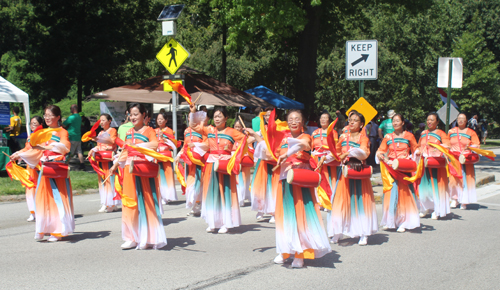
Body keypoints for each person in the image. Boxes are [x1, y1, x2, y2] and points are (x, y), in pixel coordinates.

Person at [246, 109, 331, 268]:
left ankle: (300, 253)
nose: (293, 121)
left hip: (300, 179)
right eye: (290, 119)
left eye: (297, 119)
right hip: (284, 178)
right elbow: (272, 154)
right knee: (285, 216)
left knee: (300, 216)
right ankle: (286, 250)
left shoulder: (306, 137)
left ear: (303, 123)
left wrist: (288, 153)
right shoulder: (283, 139)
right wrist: (256, 138)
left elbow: (302, 146)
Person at [109, 103, 167, 250]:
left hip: (144, 169)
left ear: (143, 115)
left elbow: (155, 145)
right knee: (129, 202)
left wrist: (139, 147)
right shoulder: (128, 132)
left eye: (136, 114)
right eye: (131, 114)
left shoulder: (149, 131)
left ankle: (150, 236)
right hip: (130, 170)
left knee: (146, 201)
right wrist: (115, 165)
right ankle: (131, 237)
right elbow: (125, 151)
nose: (133, 117)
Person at [13, 105, 74, 242]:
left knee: (56, 199)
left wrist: (47, 147)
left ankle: (57, 230)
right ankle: (45, 228)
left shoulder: (62, 132)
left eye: (50, 115)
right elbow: (34, 150)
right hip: (44, 169)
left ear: (58, 117)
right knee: (42, 199)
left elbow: (65, 147)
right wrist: (19, 155)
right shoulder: (43, 132)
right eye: (45, 115)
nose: (47, 118)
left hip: (56, 169)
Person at [189, 104, 246, 234]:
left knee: (224, 193)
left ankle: (226, 222)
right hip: (211, 165)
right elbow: (193, 126)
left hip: (225, 166)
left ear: (226, 118)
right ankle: (213, 221)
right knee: (211, 193)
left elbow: (244, 141)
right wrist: (193, 113)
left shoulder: (232, 132)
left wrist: (232, 151)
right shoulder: (209, 130)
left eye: (220, 116)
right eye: (215, 116)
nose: (217, 119)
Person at [328, 111, 378, 245]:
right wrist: (328, 156)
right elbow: (337, 153)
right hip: (345, 173)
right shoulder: (343, 136)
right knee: (341, 202)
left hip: (359, 172)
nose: (351, 122)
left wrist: (350, 153)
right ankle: (338, 232)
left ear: (361, 124)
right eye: (350, 120)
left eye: (355, 120)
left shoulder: (363, 138)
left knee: (360, 202)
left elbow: (364, 153)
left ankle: (363, 233)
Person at [376, 114, 420, 232]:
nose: (395, 123)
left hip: (404, 168)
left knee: (404, 195)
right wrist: (381, 156)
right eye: (393, 121)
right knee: (391, 193)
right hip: (391, 168)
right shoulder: (388, 137)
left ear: (402, 123)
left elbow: (416, 150)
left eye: (397, 121)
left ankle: (404, 221)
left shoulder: (409, 136)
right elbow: (381, 150)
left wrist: (418, 154)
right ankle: (391, 220)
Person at [416, 112, 451, 220]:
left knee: (436, 187)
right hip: (424, 163)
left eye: (432, 120)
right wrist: (417, 152)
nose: (429, 122)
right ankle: (426, 207)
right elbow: (418, 146)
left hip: (436, 164)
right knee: (424, 187)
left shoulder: (441, 133)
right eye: (428, 120)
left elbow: (448, 145)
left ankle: (437, 209)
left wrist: (438, 147)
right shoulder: (423, 133)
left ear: (437, 122)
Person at [9, 116, 44, 222]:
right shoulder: (30, 136)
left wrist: (21, 155)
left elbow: (35, 151)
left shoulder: (42, 136)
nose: (32, 125)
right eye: (31, 123)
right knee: (29, 188)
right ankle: (32, 212)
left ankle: (40, 211)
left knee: (38, 188)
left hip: (38, 166)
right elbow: (26, 149)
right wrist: (17, 154)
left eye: (35, 123)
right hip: (30, 166)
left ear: (40, 125)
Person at [250, 106, 280, 223]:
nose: (267, 117)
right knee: (260, 185)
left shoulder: (279, 127)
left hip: (273, 161)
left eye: (269, 115)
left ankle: (273, 212)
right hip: (263, 161)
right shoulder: (263, 128)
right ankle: (261, 209)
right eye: (266, 115)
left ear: (275, 116)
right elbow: (252, 139)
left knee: (272, 187)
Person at [176, 111, 207, 216]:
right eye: (189, 117)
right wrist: (179, 155)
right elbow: (185, 145)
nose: (191, 119)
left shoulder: (203, 130)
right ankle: (194, 205)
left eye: (193, 117)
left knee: (199, 183)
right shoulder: (186, 131)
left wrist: (196, 146)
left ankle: (199, 205)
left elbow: (207, 144)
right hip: (189, 161)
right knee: (190, 183)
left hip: (199, 160)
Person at [88, 114, 120, 213]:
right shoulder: (101, 132)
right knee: (102, 182)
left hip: (109, 160)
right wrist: (93, 149)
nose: (101, 122)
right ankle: (105, 202)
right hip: (101, 159)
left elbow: (112, 142)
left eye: (103, 120)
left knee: (110, 181)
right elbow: (99, 146)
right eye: (100, 120)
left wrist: (99, 140)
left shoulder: (113, 131)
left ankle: (111, 203)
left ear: (109, 121)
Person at [448, 113, 480, 210]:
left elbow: (477, 145)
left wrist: (470, 147)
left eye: (463, 119)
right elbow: (447, 143)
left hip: (465, 159)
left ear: (466, 121)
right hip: (454, 159)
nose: (461, 120)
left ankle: (464, 200)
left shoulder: (471, 132)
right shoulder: (451, 131)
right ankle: (454, 199)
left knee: (465, 179)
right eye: (459, 118)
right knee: (453, 179)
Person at [311, 111, 339, 204]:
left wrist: (327, 156)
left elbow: (335, 147)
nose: (323, 120)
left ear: (329, 120)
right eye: (321, 118)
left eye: (325, 118)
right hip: (317, 159)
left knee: (328, 179)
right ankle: (320, 201)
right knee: (318, 179)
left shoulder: (333, 132)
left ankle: (330, 200)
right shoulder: (315, 132)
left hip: (328, 159)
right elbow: (311, 146)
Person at [154, 112, 177, 204]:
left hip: (166, 156)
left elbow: (173, 144)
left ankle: (167, 195)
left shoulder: (169, 130)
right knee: (159, 175)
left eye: (161, 119)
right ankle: (161, 195)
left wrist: (164, 137)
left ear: (166, 120)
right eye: (158, 119)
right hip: (157, 155)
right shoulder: (154, 130)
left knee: (167, 175)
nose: (159, 120)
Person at [233, 119, 254, 207]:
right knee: (236, 180)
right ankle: (238, 198)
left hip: (243, 162)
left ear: (242, 128)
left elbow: (251, 149)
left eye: (239, 127)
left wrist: (244, 153)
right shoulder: (232, 136)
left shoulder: (246, 137)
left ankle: (241, 198)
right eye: (236, 127)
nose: (237, 128)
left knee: (244, 180)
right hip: (234, 162)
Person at [63, 104, 85, 170]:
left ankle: (65, 164)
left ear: (73, 109)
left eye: (70, 108)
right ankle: (82, 164)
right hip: (78, 136)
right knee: (79, 151)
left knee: (70, 152)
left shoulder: (71, 117)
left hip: (72, 136)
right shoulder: (79, 116)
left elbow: (64, 125)